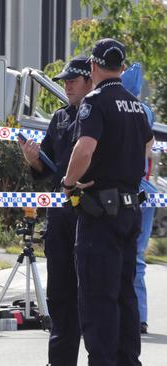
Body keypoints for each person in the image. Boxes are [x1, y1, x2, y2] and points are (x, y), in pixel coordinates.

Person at [61, 38, 153, 366]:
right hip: (131, 211)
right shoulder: (136, 106)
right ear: (123, 67)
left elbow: (84, 148)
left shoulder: (95, 102)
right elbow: (147, 150)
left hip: (100, 214)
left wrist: (69, 183)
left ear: (94, 67)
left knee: (99, 299)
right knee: (125, 296)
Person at [18, 56, 92, 366]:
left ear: (91, 79)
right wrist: (32, 157)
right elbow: (46, 167)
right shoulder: (61, 118)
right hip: (61, 216)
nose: (68, 85)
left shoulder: (98, 116)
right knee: (60, 297)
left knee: (91, 295)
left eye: (74, 79)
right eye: (65, 80)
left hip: (90, 216)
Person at [121, 62, 157, 335]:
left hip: (127, 189)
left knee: (119, 254)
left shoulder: (115, 107)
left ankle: (122, 314)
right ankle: (139, 316)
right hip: (147, 191)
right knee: (138, 256)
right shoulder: (146, 111)